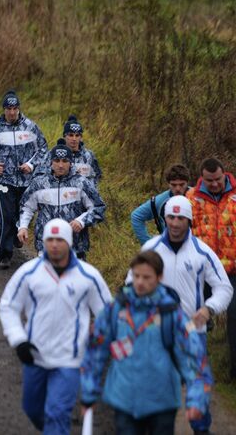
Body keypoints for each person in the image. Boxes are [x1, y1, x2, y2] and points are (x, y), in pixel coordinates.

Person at [0, 219, 110, 435]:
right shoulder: (29, 272)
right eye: (50, 240)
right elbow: (8, 306)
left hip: (69, 360)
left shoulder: (88, 276)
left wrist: (97, 337)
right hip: (35, 356)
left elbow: (108, 313)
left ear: (69, 242)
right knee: (32, 409)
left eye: (60, 240)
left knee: (57, 412)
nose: (55, 245)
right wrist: (18, 340)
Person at [83, 251, 212, 434]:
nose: (140, 282)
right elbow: (96, 349)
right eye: (136, 276)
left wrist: (197, 399)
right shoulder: (116, 308)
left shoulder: (173, 314)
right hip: (124, 401)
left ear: (159, 277)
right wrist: (89, 392)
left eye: (146, 277)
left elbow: (194, 359)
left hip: (162, 403)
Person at [136, 195, 232, 434]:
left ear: (189, 220)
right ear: (164, 218)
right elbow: (132, 286)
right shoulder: (150, 250)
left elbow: (224, 287)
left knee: (197, 395)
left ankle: (201, 430)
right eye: (171, 217)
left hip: (192, 333)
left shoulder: (202, 251)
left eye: (181, 217)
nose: (176, 223)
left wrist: (210, 308)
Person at [0, 91, 48, 268]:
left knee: (25, 215)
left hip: (26, 182)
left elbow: (43, 149)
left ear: (19, 109)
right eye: (9, 108)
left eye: (15, 108)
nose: (12, 112)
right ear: (4, 109)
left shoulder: (30, 127)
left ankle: (17, 234)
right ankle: (4, 256)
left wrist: (31, 165)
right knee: (7, 216)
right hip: (5, 181)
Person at [186, 158, 236, 381]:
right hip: (202, 270)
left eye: (217, 179)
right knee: (198, 316)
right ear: (202, 178)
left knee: (234, 318)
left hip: (233, 268)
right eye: (209, 180)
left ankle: (233, 373)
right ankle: (196, 365)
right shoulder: (191, 198)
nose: (214, 184)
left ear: (224, 175)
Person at [17, 139, 106, 260]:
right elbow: (26, 207)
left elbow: (98, 207)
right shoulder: (39, 183)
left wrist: (81, 221)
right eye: (57, 160)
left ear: (71, 163)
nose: (60, 165)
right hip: (46, 247)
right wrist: (23, 227)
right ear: (51, 162)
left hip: (74, 248)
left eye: (65, 161)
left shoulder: (81, 183)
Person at [130, 164, 190, 245]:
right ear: (168, 184)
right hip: (169, 249)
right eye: (174, 185)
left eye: (182, 184)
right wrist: (148, 243)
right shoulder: (160, 201)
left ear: (187, 183)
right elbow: (136, 216)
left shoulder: (198, 198)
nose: (178, 189)